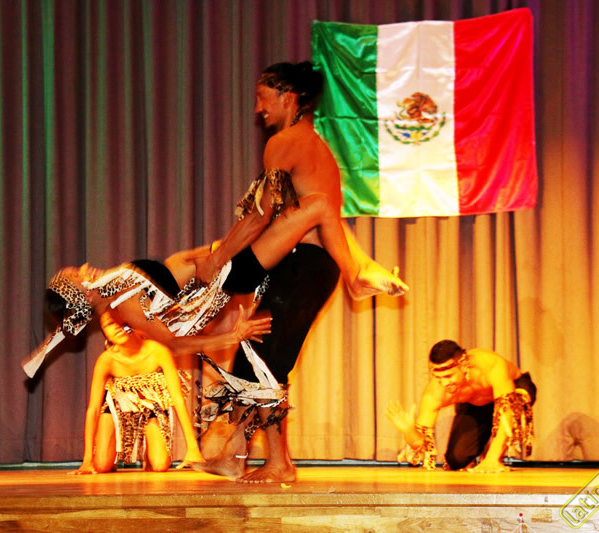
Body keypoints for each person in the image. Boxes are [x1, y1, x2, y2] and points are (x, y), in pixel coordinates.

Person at [191, 61, 408, 484]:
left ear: (287, 97)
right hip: (305, 267)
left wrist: (219, 260)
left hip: (304, 268)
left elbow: (260, 216)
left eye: (262, 98)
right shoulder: (317, 148)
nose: (258, 109)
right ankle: (236, 455)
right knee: (252, 357)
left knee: (265, 363)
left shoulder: (285, 142)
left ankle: (279, 463)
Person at [72, 307, 204, 474]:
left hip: (151, 408)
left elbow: (177, 398)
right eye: (110, 324)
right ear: (104, 332)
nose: (118, 328)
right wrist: (87, 460)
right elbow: (94, 409)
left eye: (122, 322)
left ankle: (149, 452)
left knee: (160, 466)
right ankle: (109, 454)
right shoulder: (106, 360)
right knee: (101, 466)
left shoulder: (158, 351)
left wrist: (192, 448)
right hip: (116, 408)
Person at [386, 339, 536, 473]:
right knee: (457, 460)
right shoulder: (434, 394)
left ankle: (492, 455)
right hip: (477, 405)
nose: (444, 383)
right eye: (438, 377)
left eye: (448, 376)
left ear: (464, 366)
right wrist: (409, 430)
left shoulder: (491, 364)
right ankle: (483, 446)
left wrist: (492, 458)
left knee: (517, 401)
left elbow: (507, 411)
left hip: (514, 391)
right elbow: (422, 444)